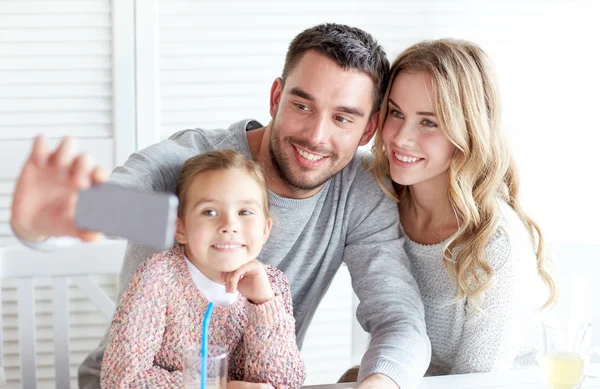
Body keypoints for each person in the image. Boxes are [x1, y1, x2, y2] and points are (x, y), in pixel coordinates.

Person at [10, 23, 430, 389]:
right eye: (302, 106)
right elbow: (114, 206)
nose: (316, 136)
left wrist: (380, 383)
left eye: (343, 118)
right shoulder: (191, 163)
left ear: (369, 128)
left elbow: (398, 319)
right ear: (275, 97)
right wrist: (48, 223)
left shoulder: (358, 194)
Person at [371, 39, 557, 375]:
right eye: (396, 113)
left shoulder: (498, 244)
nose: (400, 138)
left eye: (429, 122)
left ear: (467, 131)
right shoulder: (379, 199)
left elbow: (476, 381)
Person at [101, 150, 305, 388]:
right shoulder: (159, 277)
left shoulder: (272, 284)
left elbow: (286, 382)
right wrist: (218, 387)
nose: (229, 225)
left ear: (265, 230)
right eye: (209, 212)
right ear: (181, 229)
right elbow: (122, 380)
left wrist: (263, 304)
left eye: (245, 212)